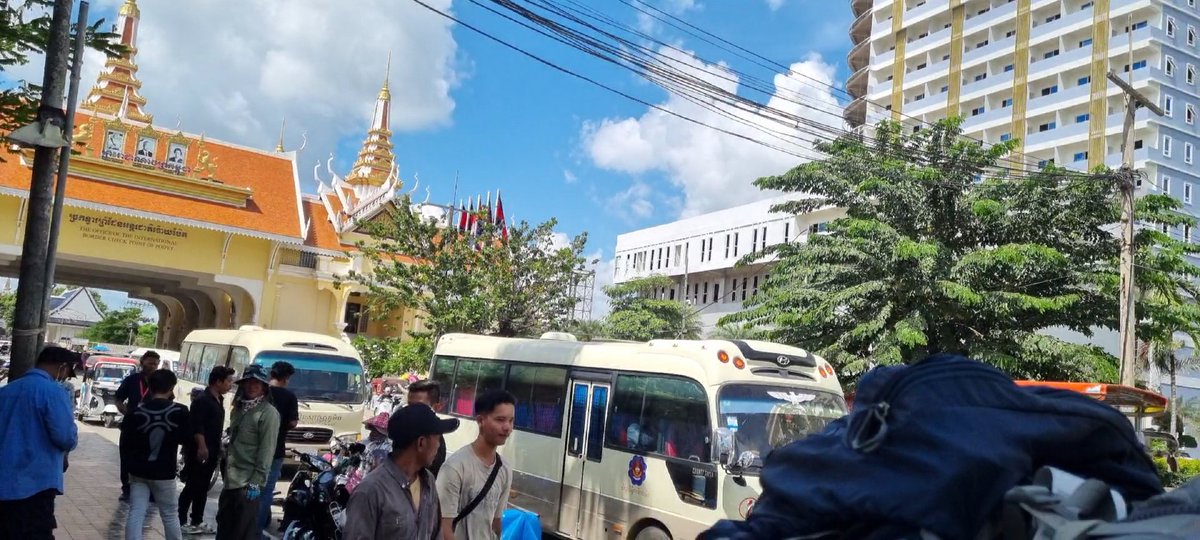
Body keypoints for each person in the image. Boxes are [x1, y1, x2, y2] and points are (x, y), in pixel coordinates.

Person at [343, 405, 459, 540]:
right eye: (437, 438)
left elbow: (435, 534)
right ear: (421, 443)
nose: (439, 445)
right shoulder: (370, 491)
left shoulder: (429, 481)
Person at [0, 347, 80, 539]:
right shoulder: (53, 392)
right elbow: (65, 437)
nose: (65, 378)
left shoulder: (6, 391)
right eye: (67, 372)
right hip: (37, 484)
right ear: (62, 366)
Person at [437, 390, 516, 540]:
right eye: (500, 420)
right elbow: (444, 529)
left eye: (511, 420)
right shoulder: (455, 467)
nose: (507, 427)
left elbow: (496, 522)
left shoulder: (504, 468)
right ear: (480, 421)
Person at [216, 365, 280, 540]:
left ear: (264, 387)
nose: (252, 387)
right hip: (231, 480)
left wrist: (257, 481)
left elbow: (267, 450)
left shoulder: (269, 414)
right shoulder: (239, 408)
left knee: (242, 532)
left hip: (248, 483)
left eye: (257, 384)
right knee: (224, 527)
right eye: (248, 383)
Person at [123, 370, 189, 540]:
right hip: (163, 471)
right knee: (169, 515)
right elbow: (185, 438)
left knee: (136, 512)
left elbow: (126, 443)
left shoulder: (135, 412)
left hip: (138, 471)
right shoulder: (180, 411)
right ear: (171, 388)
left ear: (150, 387)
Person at [178, 365, 234, 536]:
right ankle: (181, 520)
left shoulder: (218, 399)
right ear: (218, 381)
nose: (230, 385)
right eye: (229, 381)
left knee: (202, 487)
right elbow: (197, 426)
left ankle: (197, 519)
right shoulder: (203, 400)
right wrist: (202, 446)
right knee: (192, 485)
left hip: (212, 450)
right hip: (200, 451)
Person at [258, 361, 298, 536]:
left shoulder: (259, 390)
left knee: (252, 488)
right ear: (286, 378)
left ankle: (252, 523)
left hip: (253, 448)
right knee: (266, 491)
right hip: (275, 449)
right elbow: (292, 422)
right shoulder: (289, 397)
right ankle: (256, 530)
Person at [115, 350, 161, 501]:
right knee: (126, 457)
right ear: (142, 362)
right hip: (131, 426)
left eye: (156, 363)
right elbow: (119, 399)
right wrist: (126, 411)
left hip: (152, 427)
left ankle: (149, 490)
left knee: (150, 457)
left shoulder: (161, 381)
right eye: (150, 363)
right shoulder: (132, 380)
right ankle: (127, 489)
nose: (153, 366)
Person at [407, 379, 448, 476]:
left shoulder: (435, 443)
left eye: (419, 407)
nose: (412, 411)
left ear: (436, 407)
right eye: (410, 406)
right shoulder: (401, 429)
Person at [346, 412, 393, 493]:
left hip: (371, 480)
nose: (374, 432)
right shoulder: (365, 441)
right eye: (374, 430)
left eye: (377, 431)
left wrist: (365, 452)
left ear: (383, 433)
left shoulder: (387, 447)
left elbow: (378, 464)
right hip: (356, 475)